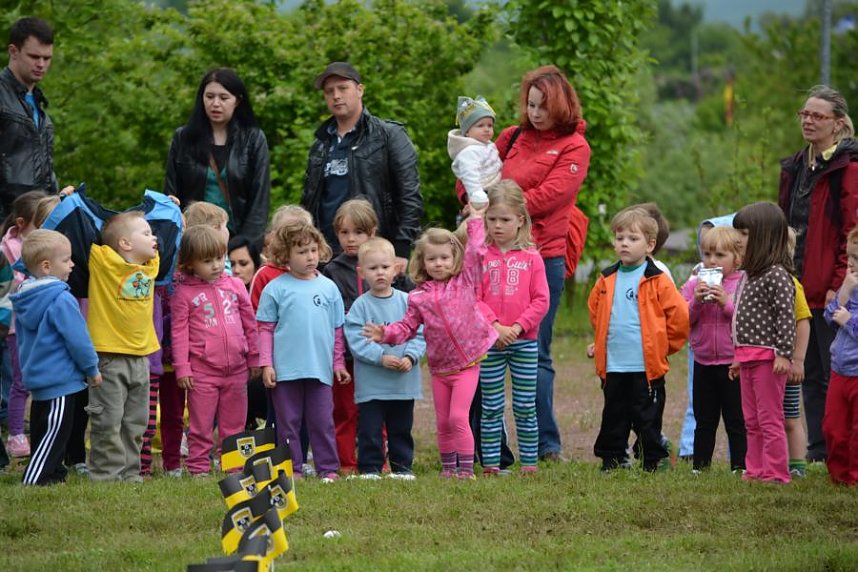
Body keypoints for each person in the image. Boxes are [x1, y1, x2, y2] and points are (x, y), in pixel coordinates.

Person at [491, 65, 591, 461]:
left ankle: (546, 444)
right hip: (494, 255)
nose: (534, 114)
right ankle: (492, 444)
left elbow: (554, 194)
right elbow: (474, 167)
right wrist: (470, 194)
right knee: (488, 346)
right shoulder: (510, 137)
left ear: (560, 105)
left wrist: (497, 205)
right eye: (531, 105)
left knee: (537, 350)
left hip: (542, 255)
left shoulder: (574, 147)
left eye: (543, 107)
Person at [363, 205, 498, 480]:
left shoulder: (465, 281)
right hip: (440, 368)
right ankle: (448, 469)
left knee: (459, 418)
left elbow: (476, 252)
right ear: (422, 262)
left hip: (467, 362)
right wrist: (385, 334)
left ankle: (465, 469)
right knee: (443, 422)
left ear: (454, 258)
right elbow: (407, 327)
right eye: (432, 259)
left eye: (445, 258)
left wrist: (475, 221)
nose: (439, 264)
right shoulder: (418, 297)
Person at [778, 85, 858, 463]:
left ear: (837, 123)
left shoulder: (848, 167)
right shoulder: (796, 164)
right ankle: (818, 450)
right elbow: (785, 223)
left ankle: (840, 449)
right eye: (804, 114)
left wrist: (837, 285)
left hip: (830, 289)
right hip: (796, 283)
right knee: (806, 371)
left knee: (836, 370)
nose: (808, 121)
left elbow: (851, 231)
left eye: (818, 116)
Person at [588, 207, 688, 472]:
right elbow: (595, 311)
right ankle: (612, 458)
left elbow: (678, 317)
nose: (624, 244)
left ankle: (651, 460)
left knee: (647, 417)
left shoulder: (657, 280)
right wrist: (601, 341)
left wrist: (664, 346)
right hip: (614, 365)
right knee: (614, 415)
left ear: (650, 245)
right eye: (620, 238)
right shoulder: (607, 278)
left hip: (647, 366)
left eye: (632, 239)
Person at [302, 62, 423, 273]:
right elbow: (309, 201)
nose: (336, 96)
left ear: (360, 90)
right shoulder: (320, 144)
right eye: (329, 91)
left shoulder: (388, 136)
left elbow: (410, 195)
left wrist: (402, 249)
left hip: (377, 254)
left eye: (343, 88)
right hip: (327, 254)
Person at [256, 220, 349, 482]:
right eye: (301, 252)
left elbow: (337, 331)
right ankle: (291, 469)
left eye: (313, 250)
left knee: (322, 422)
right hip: (285, 371)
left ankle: (327, 468)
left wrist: (338, 364)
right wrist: (267, 364)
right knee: (288, 424)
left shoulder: (329, 288)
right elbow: (264, 330)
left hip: (320, 370)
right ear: (285, 255)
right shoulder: (275, 289)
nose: (310, 257)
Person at [11, 230, 101, 485]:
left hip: (38, 376)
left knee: (43, 429)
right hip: (60, 379)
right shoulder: (61, 298)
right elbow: (78, 338)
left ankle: (54, 473)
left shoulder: (27, 294)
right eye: (67, 259)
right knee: (55, 431)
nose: (72, 264)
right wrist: (91, 368)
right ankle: (35, 477)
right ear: (47, 266)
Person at [170, 225, 260, 476]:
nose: (217, 265)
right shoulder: (183, 294)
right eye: (207, 261)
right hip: (202, 372)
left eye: (220, 258)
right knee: (201, 425)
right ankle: (198, 467)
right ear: (189, 263)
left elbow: (249, 323)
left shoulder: (235, 286)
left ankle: (233, 466)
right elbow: (179, 334)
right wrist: (182, 368)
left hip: (237, 369)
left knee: (235, 424)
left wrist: (254, 356)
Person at [477, 181, 549, 474]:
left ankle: (529, 464)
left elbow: (541, 300)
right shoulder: (480, 256)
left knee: (524, 405)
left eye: (505, 219)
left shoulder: (532, 258)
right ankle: (492, 464)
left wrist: (517, 327)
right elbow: (474, 298)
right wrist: (495, 326)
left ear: (520, 220)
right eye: (492, 219)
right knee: (491, 406)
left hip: (524, 343)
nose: (498, 225)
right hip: (491, 344)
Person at [86, 211, 160, 482]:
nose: (154, 238)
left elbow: (167, 231)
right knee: (108, 421)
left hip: (141, 359)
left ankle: (130, 475)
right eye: (146, 233)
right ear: (125, 244)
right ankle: (106, 476)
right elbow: (87, 228)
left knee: (135, 423)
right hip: (109, 358)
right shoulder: (103, 262)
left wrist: (171, 207)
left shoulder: (151, 266)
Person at [344, 237, 426, 479]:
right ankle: (370, 468)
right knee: (370, 429)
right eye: (372, 268)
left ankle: (402, 468)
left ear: (396, 268)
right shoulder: (360, 306)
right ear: (361, 272)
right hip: (372, 383)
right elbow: (356, 340)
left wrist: (411, 357)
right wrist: (381, 358)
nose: (379, 273)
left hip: (403, 381)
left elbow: (421, 333)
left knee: (401, 427)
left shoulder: (408, 302)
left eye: (384, 267)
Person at [164, 68, 271, 247]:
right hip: (192, 241)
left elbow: (259, 202)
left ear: (237, 101)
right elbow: (170, 195)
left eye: (223, 98)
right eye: (209, 96)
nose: (215, 103)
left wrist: (245, 245)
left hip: (238, 240)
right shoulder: (183, 138)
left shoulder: (253, 139)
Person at [730, 202, 796, 483]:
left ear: (763, 236)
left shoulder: (777, 275)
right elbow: (739, 321)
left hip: (769, 359)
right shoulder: (748, 275)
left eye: (743, 233)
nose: (737, 239)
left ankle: (776, 472)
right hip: (747, 356)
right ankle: (755, 468)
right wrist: (738, 355)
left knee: (769, 419)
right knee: (751, 419)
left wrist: (784, 354)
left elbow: (786, 318)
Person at [681, 226, 746, 472]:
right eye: (707, 254)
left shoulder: (743, 283)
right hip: (703, 360)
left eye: (720, 255)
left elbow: (745, 319)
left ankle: (740, 465)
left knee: (736, 419)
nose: (711, 261)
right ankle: (700, 466)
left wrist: (726, 304)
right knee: (704, 419)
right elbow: (683, 319)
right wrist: (696, 302)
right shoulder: (694, 284)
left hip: (733, 362)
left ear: (737, 258)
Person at [322, 198, 378, 474]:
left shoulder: (383, 265)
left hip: (377, 353)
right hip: (345, 353)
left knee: (376, 410)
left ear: (373, 232)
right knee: (345, 410)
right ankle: (346, 462)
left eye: (358, 232)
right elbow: (335, 311)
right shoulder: (332, 269)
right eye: (344, 232)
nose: (351, 239)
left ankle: (377, 460)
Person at [1, 190, 47, 458]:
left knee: (40, 380)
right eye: (39, 223)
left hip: (41, 326)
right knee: (20, 382)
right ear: (21, 224)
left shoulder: (43, 244)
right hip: (17, 327)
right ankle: (16, 434)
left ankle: (41, 429)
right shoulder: (7, 251)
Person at [0, 18, 58, 218]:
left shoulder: (38, 104)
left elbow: (45, 173)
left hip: (35, 222)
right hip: (7, 222)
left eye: (47, 58)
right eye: (34, 56)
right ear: (13, 51)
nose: (41, 64)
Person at [823, 225, 858, 485]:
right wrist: (843, 293)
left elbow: (843, 321)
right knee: (833, 427)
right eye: (851, 258)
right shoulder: (849, 285)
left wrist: (849, 321)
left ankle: (853, 477)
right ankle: (838, 474)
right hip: (839, 368)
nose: (852, 265)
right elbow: (828, 318)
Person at [785, 228, 812, 478]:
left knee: (790, 418)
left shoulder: (793, 285)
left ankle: (798, 465)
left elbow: (803, 321)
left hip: (788, 365)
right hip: (765, 364)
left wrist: (799, 360)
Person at [447, 96, 502, 208]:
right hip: (483, 192)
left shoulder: (488, 145)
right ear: (467, 132)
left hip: (497, 187)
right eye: (480, 125)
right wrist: (477, 196)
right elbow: (470, 176)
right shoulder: (468, 152)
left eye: (490, 125)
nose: (486, 129)